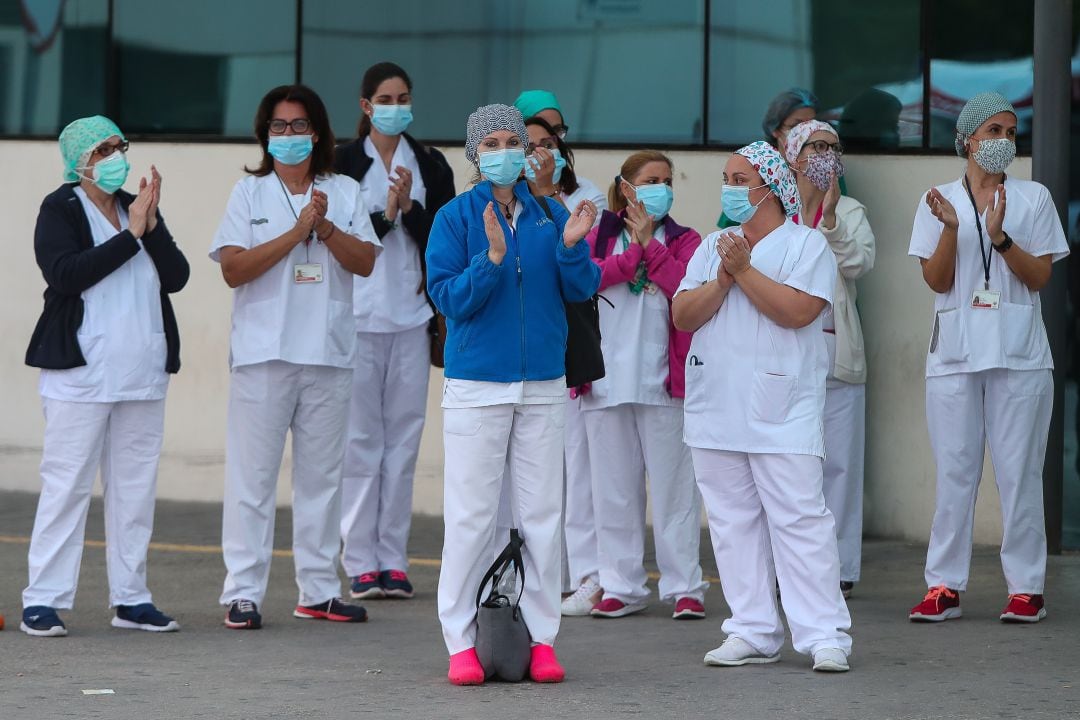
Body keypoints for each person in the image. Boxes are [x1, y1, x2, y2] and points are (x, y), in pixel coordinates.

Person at [426, 104, 600, 685]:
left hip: (544, 384)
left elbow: (579, 289)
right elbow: (449, 299)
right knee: (472, 519)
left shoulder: (550, 213)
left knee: (543, 516)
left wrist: (574, 246)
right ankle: (459, 641)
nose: (506, 150)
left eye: (514, 141)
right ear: (475, 153)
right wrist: (493, 259)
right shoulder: (454, 217)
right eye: (493, 142)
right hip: (477, 386)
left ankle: (542, 636)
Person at [672, 141, 852, 673]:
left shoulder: (806, 246)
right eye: (726, 177)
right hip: (717, 407)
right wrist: (724, 278)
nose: (729, 188)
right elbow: (683, 312)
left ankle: (824, 634)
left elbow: (797, 312)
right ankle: (752, 629)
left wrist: (744, 274)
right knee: (731, 523)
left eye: (739, 178)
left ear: (770, 187)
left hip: (782, 407)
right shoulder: (713, 246)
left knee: (799, 520)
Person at [210, 84, 380, 630]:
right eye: (279, 127)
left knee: (323, 480)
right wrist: (297, 232)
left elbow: (365, 263)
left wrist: (324, 227)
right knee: (252, 480)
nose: (289, 136)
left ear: (318, 132)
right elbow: (233, 268)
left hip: (327, 354)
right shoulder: (249, 193)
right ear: (265, 134)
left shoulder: (346, 190)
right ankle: (243, 593)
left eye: (299, 125)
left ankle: (320, 589)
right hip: (264, 356)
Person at [21, 115, 189, 636]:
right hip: (82, 376)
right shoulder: (61, 207)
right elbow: (66, 274)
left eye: (120, 146)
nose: (117, 156)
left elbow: (177, 277)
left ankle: (131, 598)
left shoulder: (134, 209)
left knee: (134, 490)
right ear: (79, 163)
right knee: (66, 486)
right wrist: (131, 236)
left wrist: (150, 225)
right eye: (103, 150)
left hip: (141, 372)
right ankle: (44, 599)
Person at [907, 92, 1068, 624]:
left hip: (1019, 355)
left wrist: (1000, 239)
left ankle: (1026, 588)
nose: (1003, 142)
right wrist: (953, 229)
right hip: (954, 354)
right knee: (955, 472)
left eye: (1010, 133)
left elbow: (1041, 277)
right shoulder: (938, 200)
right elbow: (936, 280)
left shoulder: (1034, 198)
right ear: (968, 138)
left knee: (1020, 473)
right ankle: (943, 586)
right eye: (993, 131)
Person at [333, 61, 456, 601]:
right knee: (362, 442)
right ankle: (359, 559)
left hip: (410, 315)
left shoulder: (428, 162)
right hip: (355, 318)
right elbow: (339, 233)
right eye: (386, 97)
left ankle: (394, 559)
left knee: (403, 442)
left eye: (404, 96)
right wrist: (384, 214)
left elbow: (449, 234)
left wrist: (409, 208)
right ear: (365, 106)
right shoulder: (339, 161)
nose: (396, 105)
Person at [577, 150, 707, 620]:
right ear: (627, 187)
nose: (662, 187)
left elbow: (686, 288)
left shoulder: (686, 239)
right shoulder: (599, 234)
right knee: (612, 491)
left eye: (667, 180)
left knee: (675, 491)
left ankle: (685, 586)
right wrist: (631, 255)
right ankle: (622, 585)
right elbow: (581, 279)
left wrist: (651, 247)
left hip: (663, 384)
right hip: (605, 381)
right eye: (651, 179)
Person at [783, 120, 876, 598]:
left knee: (839, 464)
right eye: (814, 146)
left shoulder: (852, 210)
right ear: (794, 156)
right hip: (783, 351)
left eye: (832, 147)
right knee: (789, 462)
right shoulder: (774, 211)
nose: (823, 154)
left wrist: (833, 218)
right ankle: (788, 567)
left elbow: (859, 263)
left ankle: (838, 570)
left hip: (836, 350)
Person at [522, 114, 608, 616]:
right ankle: (530, 575)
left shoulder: (582, 202)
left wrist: (549, 196)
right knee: (527, 477)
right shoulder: (496, 206)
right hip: (514, 353)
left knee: (572, 471)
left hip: (562, 350)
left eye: (547, 143)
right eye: (527, 145)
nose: (537, 152)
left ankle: (585, 575)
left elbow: (581, 270)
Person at [719, 87, 820, 229]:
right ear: (775, 129)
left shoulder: (825, 169)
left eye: (812, 126)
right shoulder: (756, 165)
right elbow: (731, 224)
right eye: (796, 125)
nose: (806, 132)